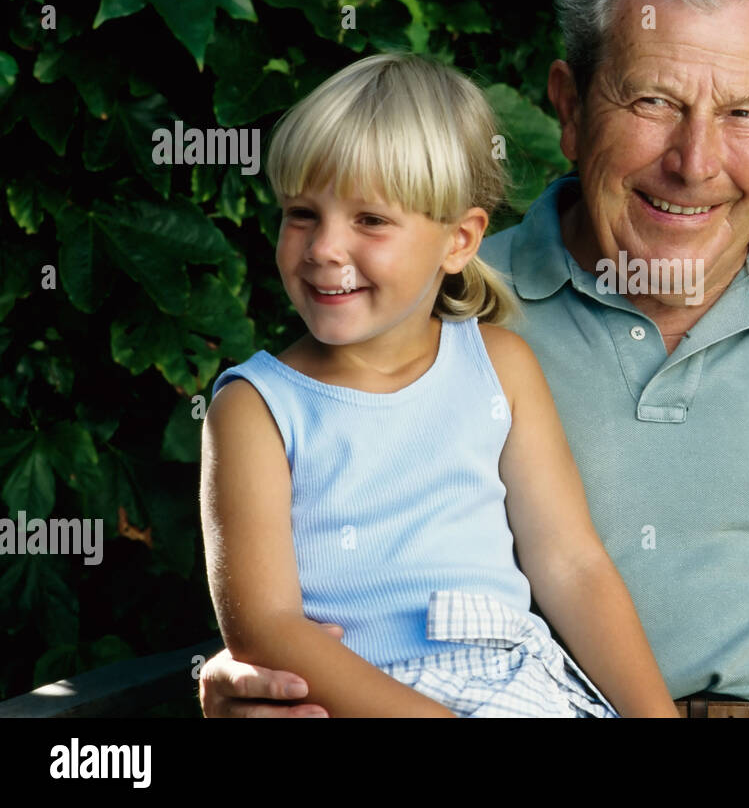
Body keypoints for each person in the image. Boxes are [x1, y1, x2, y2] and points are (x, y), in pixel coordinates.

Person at [200, 0, 749, 718]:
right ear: (569, 106)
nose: (695, 161)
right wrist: (241, 680)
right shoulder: (440, 311)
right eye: (654, 101)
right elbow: (292, 577)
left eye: (742, 114)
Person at [199, 52, 677, 717]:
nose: (323, 249)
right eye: (302, 214)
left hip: (520, 684)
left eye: (370, 220)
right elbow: (265, 627)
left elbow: (572, 564)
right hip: (364, 697)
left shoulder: (499, 366)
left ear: (459, 241)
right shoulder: (257, 406)